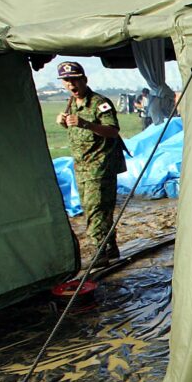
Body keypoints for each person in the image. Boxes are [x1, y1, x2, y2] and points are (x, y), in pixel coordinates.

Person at [55, 61, 127, 267]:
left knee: (96, 209)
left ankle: (99, 253)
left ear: (84, 80)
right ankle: (110, 248)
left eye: (74, 80)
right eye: (66, 81)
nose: (71, 85)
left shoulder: (99, 103)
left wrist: (85, 123)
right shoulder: (71, 103)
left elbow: (112, 131)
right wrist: (64, 122)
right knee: (95, 208)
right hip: (81, 166)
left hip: (100, 165)